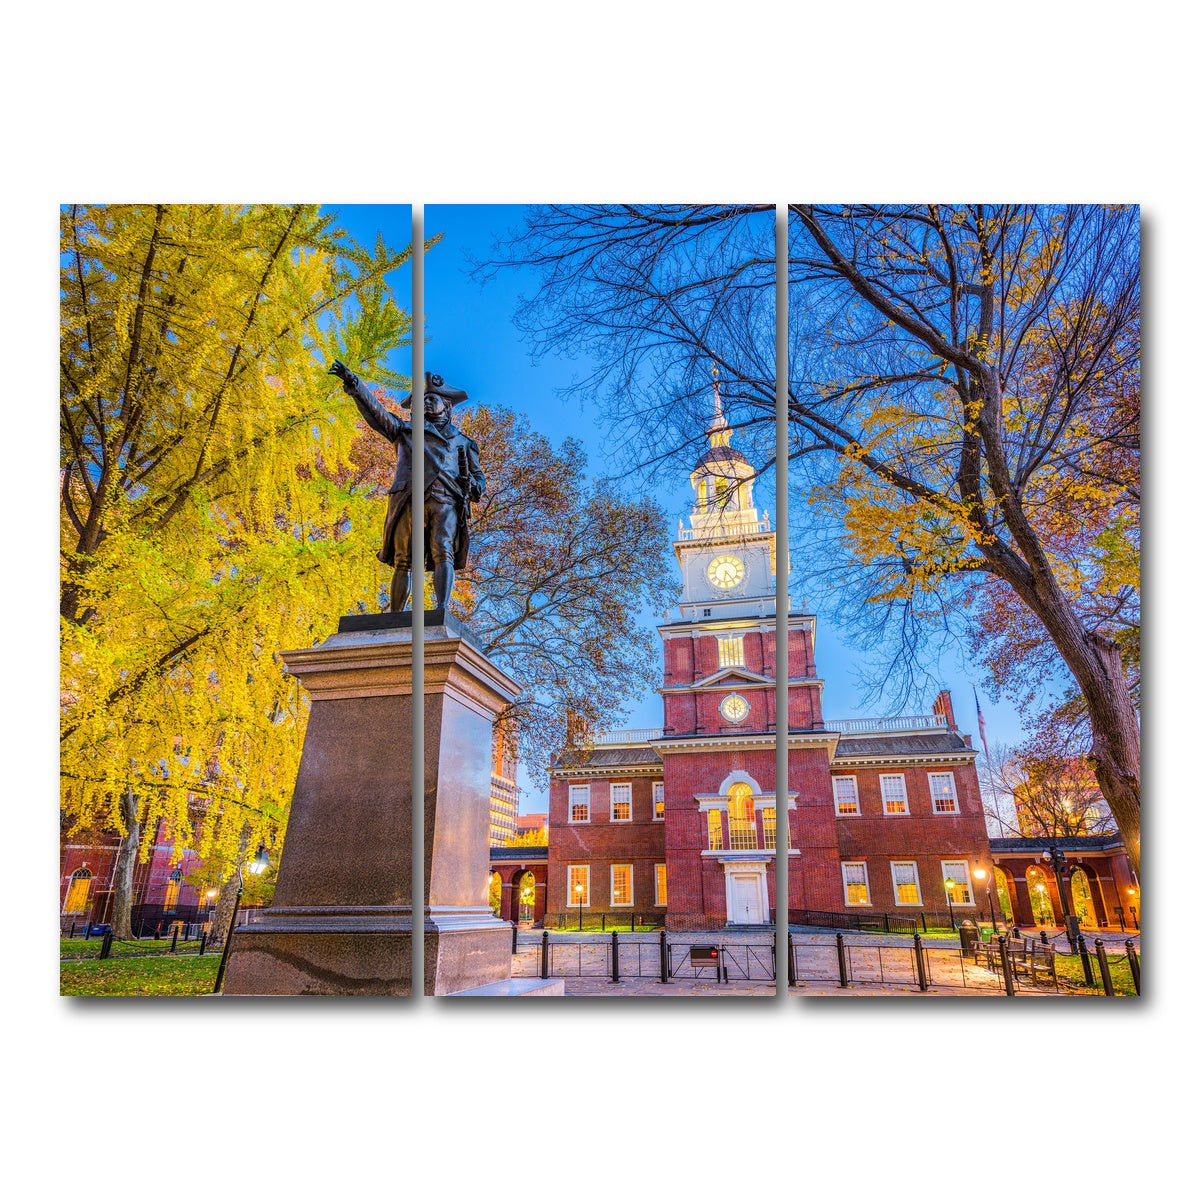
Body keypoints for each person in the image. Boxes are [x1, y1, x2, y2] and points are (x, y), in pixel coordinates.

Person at [328, 362, 485, 612]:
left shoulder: (463, 442)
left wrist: (473, 486)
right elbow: (377, 413)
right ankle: (395, 615)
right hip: (409, 499)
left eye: (432, 398)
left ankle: (442, 609)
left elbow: (479, 480)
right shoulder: (405, 430)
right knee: (403, 559)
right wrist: (355, 385)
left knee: (443, 550)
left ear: (447, 404)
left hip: (446, 500)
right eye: (422, 399)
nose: (426, 402)